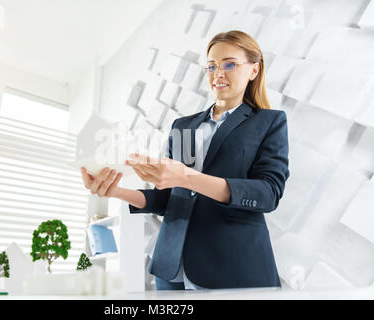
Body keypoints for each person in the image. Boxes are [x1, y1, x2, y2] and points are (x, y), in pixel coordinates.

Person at [80, 30, 290, 290]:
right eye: (211, 66)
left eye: (229, 64)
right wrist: (117, 191)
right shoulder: (183, 126)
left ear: (253, 70)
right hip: (170, 267)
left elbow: (268, 194)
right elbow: (169, 199)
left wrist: (186, 177)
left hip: (231, 267)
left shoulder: (269, 122)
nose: (218, 73)